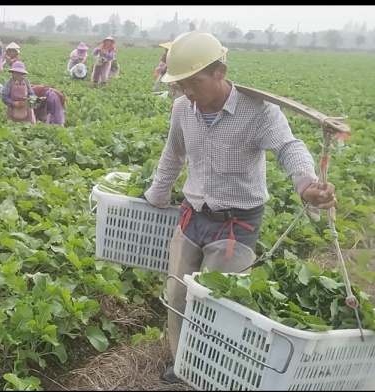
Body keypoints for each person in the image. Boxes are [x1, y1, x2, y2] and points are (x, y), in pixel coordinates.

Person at [142, 30, 337, 385]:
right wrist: (157, 193)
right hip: (192, 216)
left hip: (236, 224)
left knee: (219, 304)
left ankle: (212, 369)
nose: (187, 91)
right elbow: (173, 153)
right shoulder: (184, 108)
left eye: (193, 82)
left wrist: (307, 185)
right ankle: (183, 362)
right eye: (180, 83)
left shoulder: (258, 111)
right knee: (179, 295)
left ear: (220, 71)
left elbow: (288, 147)